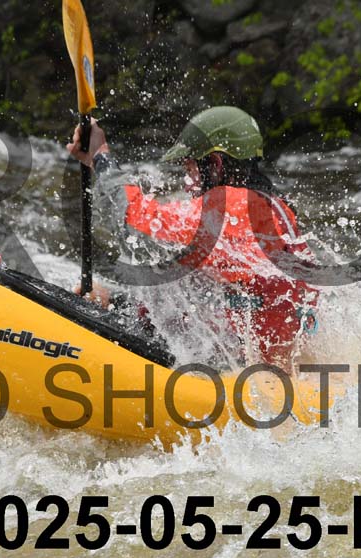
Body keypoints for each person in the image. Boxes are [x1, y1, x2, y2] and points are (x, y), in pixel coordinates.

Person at [67, 106, 318, 365]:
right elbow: (194, 293)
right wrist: (116, 303)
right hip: (263, 359)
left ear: (216, 165)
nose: (188, 185)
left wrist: (101, 157)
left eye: (190, 170)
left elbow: (138, 230)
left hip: (243, 371)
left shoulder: (233, 206)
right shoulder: (273, 208)